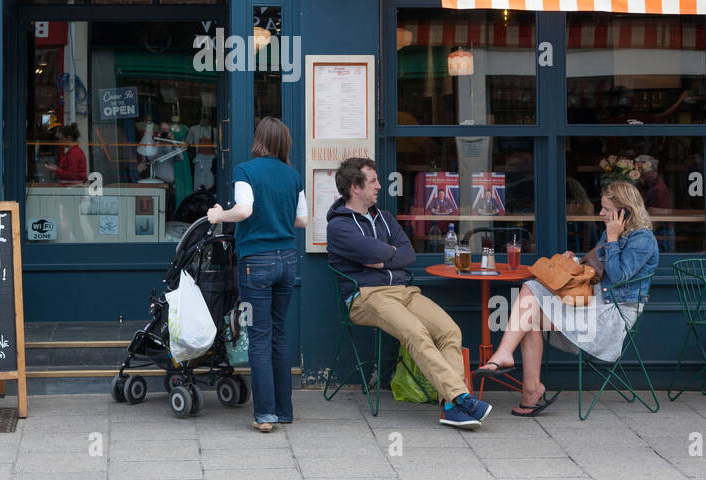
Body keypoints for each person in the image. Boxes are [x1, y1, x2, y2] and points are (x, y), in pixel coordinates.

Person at [326, 157, 492, 429]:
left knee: (449, 330)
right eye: (373, 181)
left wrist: (384, 258)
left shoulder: (385, 218)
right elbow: (378, 252)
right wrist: (386, 254)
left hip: (403, 291)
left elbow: (407, 253)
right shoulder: (339, 226)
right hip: (366, 296)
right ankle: (460, 397)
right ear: (355, 187)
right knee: (416, 332)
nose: (380, 186)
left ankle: (450, 405)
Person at [475, 181, 660, 417]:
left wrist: (612, 240)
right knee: (531, 292)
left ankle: (513, 368)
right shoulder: (611, 232)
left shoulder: (642, 239)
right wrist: (577, 261)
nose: (600, 213)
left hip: (615, 314)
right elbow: (599, 269)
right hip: (595, 303)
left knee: (529, 312)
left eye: (606, 209)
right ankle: (525, 382)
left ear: (624, 211)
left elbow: (619, 274)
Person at [207, 116, 306, 433]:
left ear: (258, 140)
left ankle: (265, 415)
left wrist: (219, 214)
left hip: (256, 263)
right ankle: (283, 410)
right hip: (288, 260)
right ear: (284, 143)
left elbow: (244, 210)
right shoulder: (293, 175)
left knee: (259, 338)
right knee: (278, 333)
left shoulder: (245, 170)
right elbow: (302, 220)